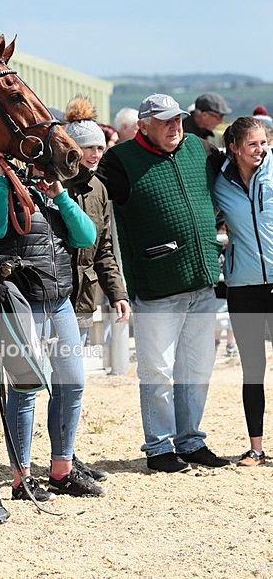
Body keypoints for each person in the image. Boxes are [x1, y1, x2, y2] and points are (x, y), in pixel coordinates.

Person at [96, 93, 230, 473]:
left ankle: (191, 440)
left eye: (179, 120)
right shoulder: (119, 161)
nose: (176, 127)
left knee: (198, 368)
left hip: (202, 280)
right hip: (156, 286)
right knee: (157, 370)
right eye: (166, 121)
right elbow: (90, 195)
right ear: (143, 126)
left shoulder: (200, 149)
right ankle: (158, 447)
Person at [0, 150, 102, 499]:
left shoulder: (55, 196)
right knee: (26, 388)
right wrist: (3, 178)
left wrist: (59, 195)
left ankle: (62, 469)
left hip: (59, 301)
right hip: (23, 304)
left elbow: (86, 235)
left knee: (72, 383)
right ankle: (21, 477)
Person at [61, 97, 130, 481]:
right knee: (54, 382)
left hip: (85, 298)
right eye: (88, 148)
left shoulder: (100, 190)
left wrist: (117, 293)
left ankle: (67, 455)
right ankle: (60, 458)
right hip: (51, 297)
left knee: (71, 383)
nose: (94, 154)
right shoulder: (50, 186)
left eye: (100, 148)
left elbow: (103, 248)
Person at [214, 116, 273, 467]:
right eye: (253, 144)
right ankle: (256, 448)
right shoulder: (219, 180)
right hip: (243, 285)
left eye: (264, 142)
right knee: (253, 369)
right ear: (234, 148)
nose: (261, 149)